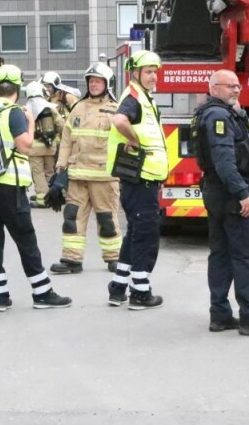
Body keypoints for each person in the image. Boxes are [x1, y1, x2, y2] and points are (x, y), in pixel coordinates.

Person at [192, 70, 249, 336]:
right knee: (245, 255)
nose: (236, 90)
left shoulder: (210, 112)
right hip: (228, 193)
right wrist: (242, 193)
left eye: (238, 86)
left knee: (220, 254)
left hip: (215, 191)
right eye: (230, 86)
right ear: (214, 89)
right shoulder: (219, 116)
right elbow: (224, 161)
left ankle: (220, 314)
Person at [0, 64, 72, 311]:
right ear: (17, 88)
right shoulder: (14, 112)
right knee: (26, 240)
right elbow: (25, 145)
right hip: (10, 188)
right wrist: (30, 122)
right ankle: (42, 293)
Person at [105, 50, 169, 310]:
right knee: (145, 235)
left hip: (142, 178)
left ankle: (118, 287)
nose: (154, 76)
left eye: (155, 71)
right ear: (136, 73)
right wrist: (133, 139)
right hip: (140, 179)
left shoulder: (142, 97)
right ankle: (140, 293)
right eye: (148, 72)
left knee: (134, 233)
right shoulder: (133, 97)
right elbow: (119, 120)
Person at [49, 63, 122, 274]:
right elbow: (66, 140)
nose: (94, 84)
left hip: (104, 177)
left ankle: (114, 258)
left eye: (98, 81)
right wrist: (61, 167)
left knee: (107, 219)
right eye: (91, 80)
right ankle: (71, 260)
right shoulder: (78, 108)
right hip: (77, 175)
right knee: (72, 218)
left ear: (107, 84)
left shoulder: (116, 109)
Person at [23, 81, 63, 208]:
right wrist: (56, 140)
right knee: (49, 171)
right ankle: (52, 196)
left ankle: (42, 198)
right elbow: (61, 126)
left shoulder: (25, 109)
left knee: (38, 173)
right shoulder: (51, 108)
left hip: (34, 148)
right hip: (50, 147)